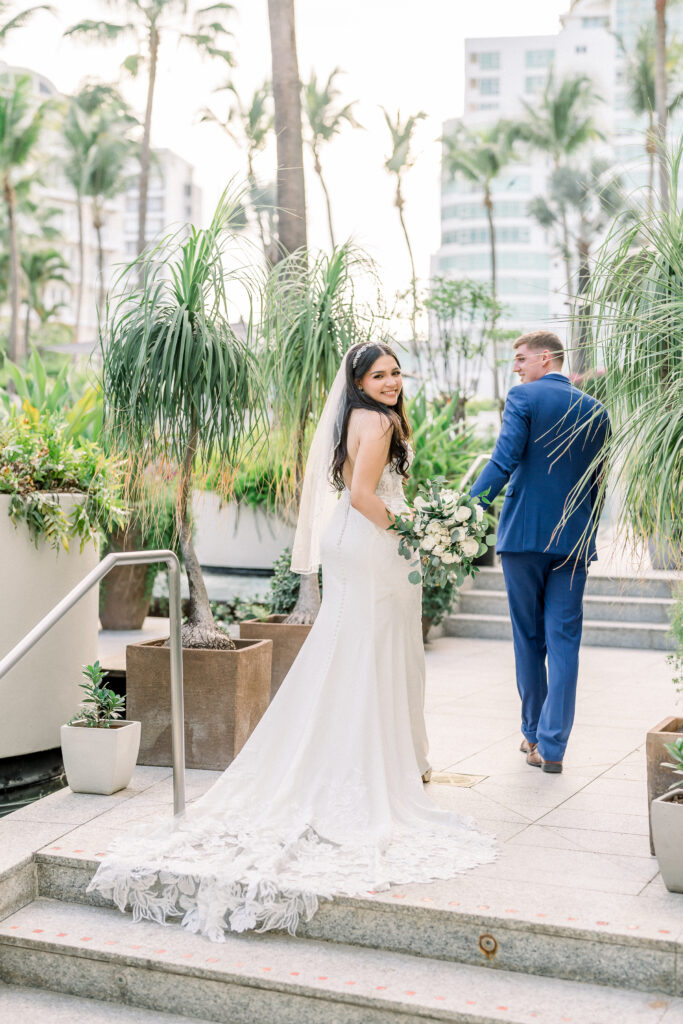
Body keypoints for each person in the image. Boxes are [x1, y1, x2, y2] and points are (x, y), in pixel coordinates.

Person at [88, 341, 496, 941]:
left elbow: (353, 491)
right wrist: (417, 533)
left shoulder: (353, 417)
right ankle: (366, 764)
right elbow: (363, 495)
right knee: (368, 654)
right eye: (378, 375)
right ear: (358, 382)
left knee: (346, 652)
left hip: (348, 542)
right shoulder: (380, 421)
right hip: (370, 540)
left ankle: (344, 754)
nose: (390, 382)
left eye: (395, 373)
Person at [470, 331, 610, 774]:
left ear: (545, 358)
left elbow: (503, 460)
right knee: (565, 643)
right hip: (573, 542)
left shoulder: (523, 398)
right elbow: (597, 484)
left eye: (520, 358)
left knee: (529, 640)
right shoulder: (598, 411)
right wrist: (584, 531)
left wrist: (466, 510)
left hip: (524, 539)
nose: (516, 366)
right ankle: (552, 747)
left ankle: (532, 732)